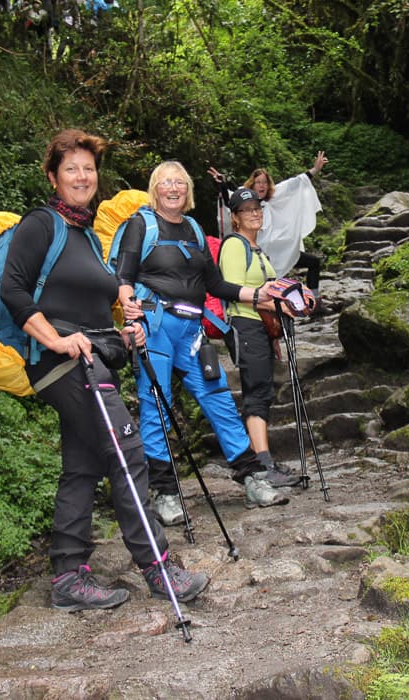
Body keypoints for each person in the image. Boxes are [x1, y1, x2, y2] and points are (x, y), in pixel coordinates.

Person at [1, 130, 208, 611]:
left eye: (88, 168)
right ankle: (159, 570)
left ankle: (69, 576)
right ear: (53, 176)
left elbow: (93, 310)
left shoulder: (87, 237)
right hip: (61, 363)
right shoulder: (41, 224)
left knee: (83, 465)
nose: (82, 176)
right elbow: (12, 291)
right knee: (128, 450)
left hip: (92, 360)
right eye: (71, 168)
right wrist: (53, 337)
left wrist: (126, 335)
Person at [115, 161, 300, 526]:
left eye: (180, 183)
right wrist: (129, 314)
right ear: (155, 188)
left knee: (219, 401)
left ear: (188, 190)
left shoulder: (194, 229)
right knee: (156, 406)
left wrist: (260, 293)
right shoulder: (141, 225)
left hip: (191, 330)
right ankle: (165, 495)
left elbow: (216, 285)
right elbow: (123, 275)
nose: (173, 189)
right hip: (155, 326)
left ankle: (253, 480)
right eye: (166, 182)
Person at [217, 187, 306, 472]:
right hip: (245, 325)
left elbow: (268, 290)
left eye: (258, 208)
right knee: (256, 392)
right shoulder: (234, 245)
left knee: (263, 391)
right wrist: (277, 307)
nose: (255, 213)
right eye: (247, 210)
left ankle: (262, 461)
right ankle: (263, 464)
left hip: (260, 329)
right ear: (235, 218)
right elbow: (233, 289)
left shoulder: (257, 249)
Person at [208, 151, 329, 311]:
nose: (261, 185)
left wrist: (315, 169)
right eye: (258, 182)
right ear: (252, 184)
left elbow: (296, 183)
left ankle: (314, 302)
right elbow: (230, 200)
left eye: (264, 182)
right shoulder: (245, 200)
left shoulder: (276, 196)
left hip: (282, 250)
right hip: (259, 255)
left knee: (313, 262)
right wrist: (222, 184)